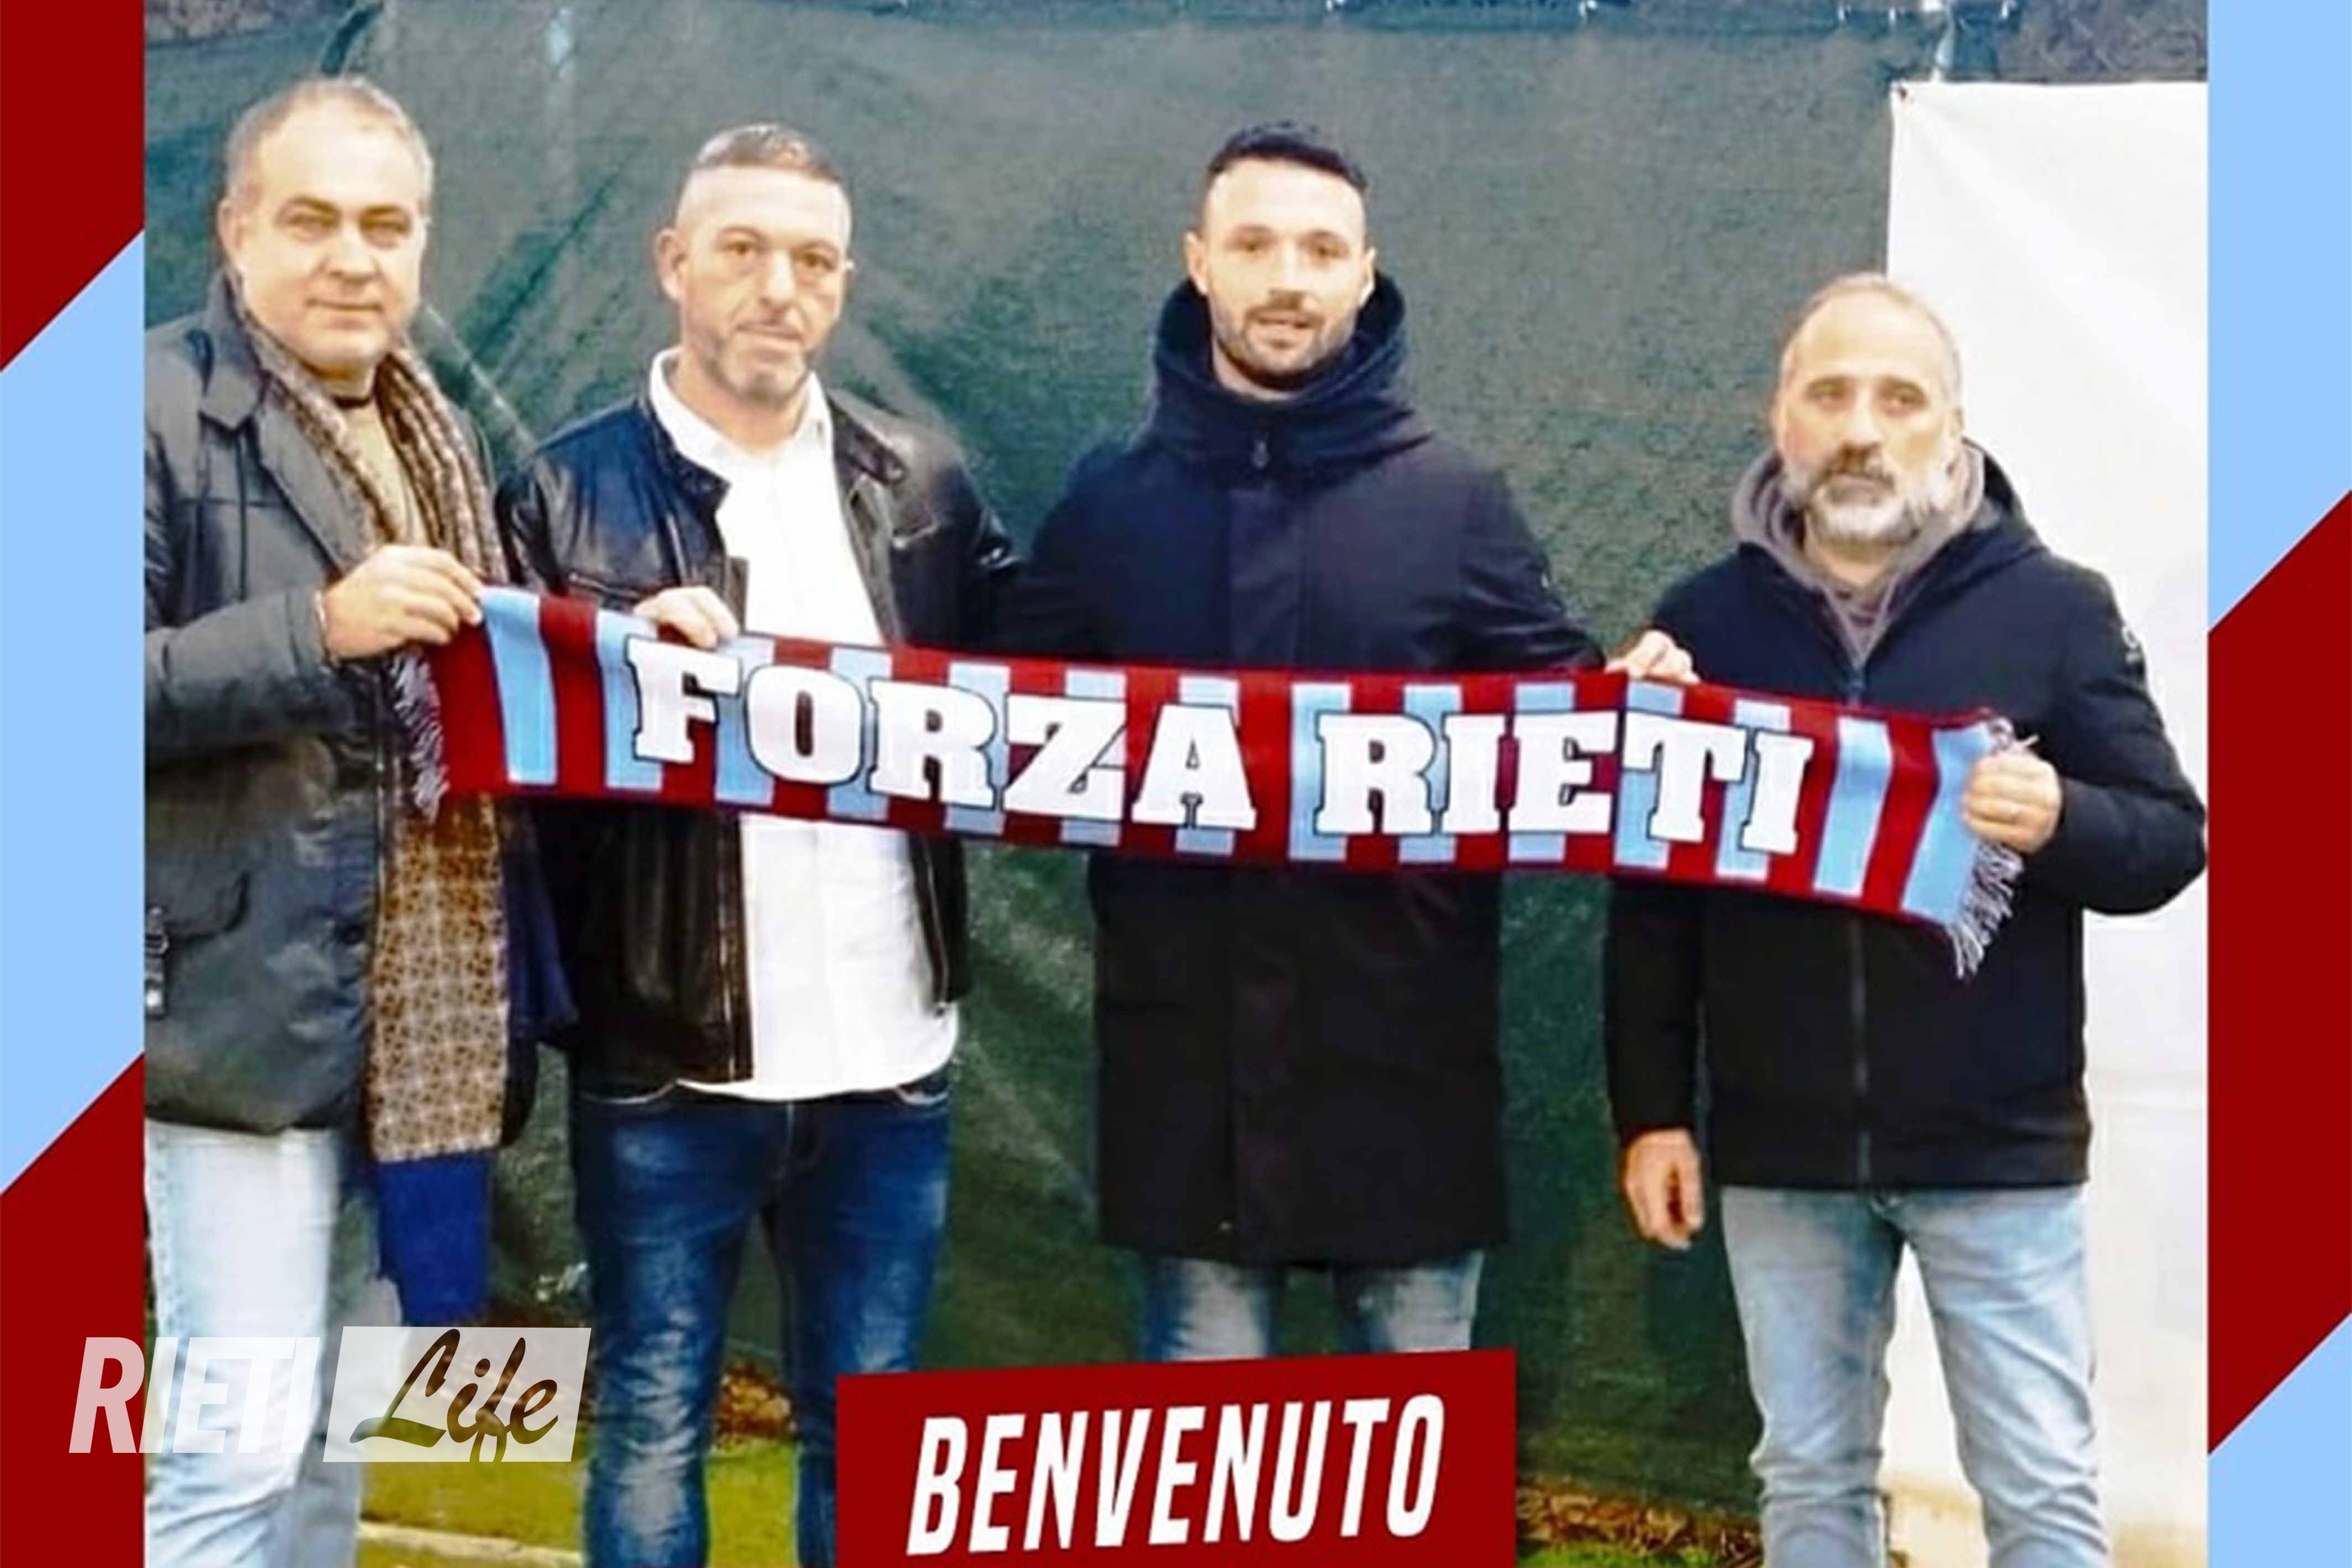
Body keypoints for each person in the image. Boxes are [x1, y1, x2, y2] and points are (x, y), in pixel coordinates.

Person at [997, 122, 1691, 1361]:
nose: (1288, 279)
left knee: (1410, 1463)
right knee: (1209, 1470)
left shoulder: (1455, 501)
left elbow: (1566, 719)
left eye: (1321, 250)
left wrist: (1626, 699)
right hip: (1190, 1095)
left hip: (1406, 1085)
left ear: (1365, 276)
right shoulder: (1111, 501)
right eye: (1255, 244)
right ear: (1198, 260)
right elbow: (977, 707)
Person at [1606, 275, 2206, 1568]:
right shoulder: (1699, 623)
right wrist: (1649, 1110)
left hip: (1996, 1146)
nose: (1861, 429)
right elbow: (1652, 900)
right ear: (1779, 417)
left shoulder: (2053, 607)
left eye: (1898, 398)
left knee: (2038, 1487)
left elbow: (2169, 838)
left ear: (1952, 423)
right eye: (1829, 394)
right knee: (1807, 1476)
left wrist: (2060, 817)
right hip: (1781, 1145)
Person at [497, 124, 1014, 1568]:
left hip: (889, 1063)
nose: (778, 286)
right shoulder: (561, 490)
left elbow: (1049, 677)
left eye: (812, 259)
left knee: (871, 1430)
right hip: (667, 1066)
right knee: (654, 1421)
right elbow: (499, 749)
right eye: (741, 248)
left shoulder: (920, 481)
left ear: (842, 285)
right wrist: (616, 650)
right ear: (672, 263)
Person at [144, 77, 521, 1567]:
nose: (352, 257)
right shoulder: (131, 403)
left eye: (385, 224)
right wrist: (318, 629)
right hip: (234, 1014)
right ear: (234, 231)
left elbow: (494, 649)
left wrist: (640, 634)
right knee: (235, 1452)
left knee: (340, 1446)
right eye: (310, 221)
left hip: (413, 1028)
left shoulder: (439, 432)